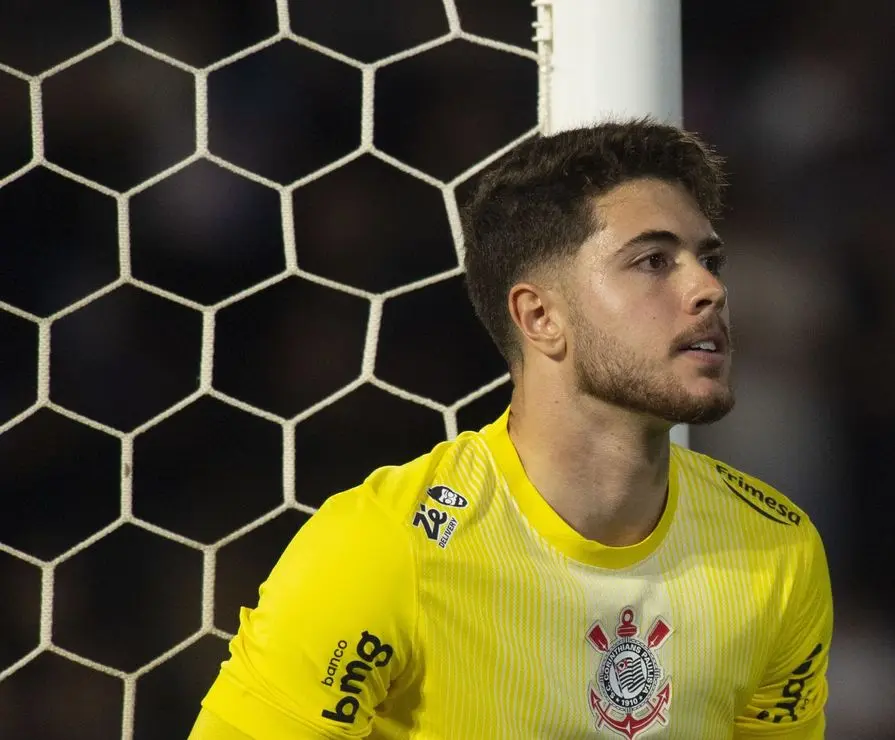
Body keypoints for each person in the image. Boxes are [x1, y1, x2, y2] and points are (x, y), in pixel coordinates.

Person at [188, 119, 833, 739]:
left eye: (709, 260)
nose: (709, 290)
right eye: (653, 262)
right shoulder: (387, 549)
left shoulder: (777, 553)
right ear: (540, 316)